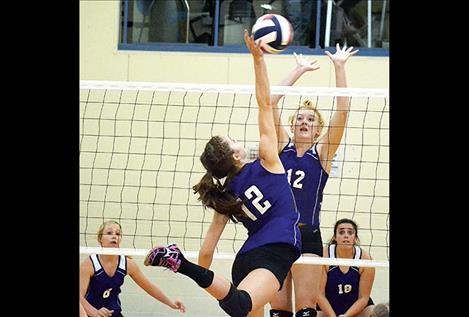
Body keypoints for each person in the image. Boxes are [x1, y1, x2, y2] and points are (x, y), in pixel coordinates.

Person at [143, 29, 301, 317]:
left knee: (240, 304)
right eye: (235, 141)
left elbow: (206, 251)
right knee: (240, 305)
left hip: (246, 259)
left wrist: (204, 279)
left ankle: (180, 264)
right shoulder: (267, 160)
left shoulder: (226, 193)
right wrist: (258, 59)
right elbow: (265, 101)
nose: (239, 141)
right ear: (237, 156)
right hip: (275, 250)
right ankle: (180, 263)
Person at [268, 44, 358, 317]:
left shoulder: (322, 154)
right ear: (292, 125)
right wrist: (297, 71)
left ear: (318, 130)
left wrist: (339, 67)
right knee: (279, 310)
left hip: (307, 235)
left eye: (310, 120)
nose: (304, 122)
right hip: (275, 233)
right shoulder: (280, 147)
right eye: (299, 119)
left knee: (307, 310)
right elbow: (270, 101)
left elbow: (342, 113)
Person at [79, 220, 186, 317]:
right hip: (89, 313)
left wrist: (171, 304)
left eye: (118, 234)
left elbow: (149, 287)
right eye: (109, 233)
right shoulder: (89, 264)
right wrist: (94, 313)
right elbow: (80, 297)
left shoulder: (127, 263)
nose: (114, 236)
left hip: (114, 313)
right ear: (100, 239)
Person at [317, 218, 375, 317]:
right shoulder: (324, 255)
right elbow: (319, 295)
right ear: (335, 237)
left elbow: (363, 297)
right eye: (341, 232)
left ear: (355, 238)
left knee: (375, 311)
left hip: (356, 310)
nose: (346, 235)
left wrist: (346, 316)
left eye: (350, 232)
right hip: (328, 309)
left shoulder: (365, 258)